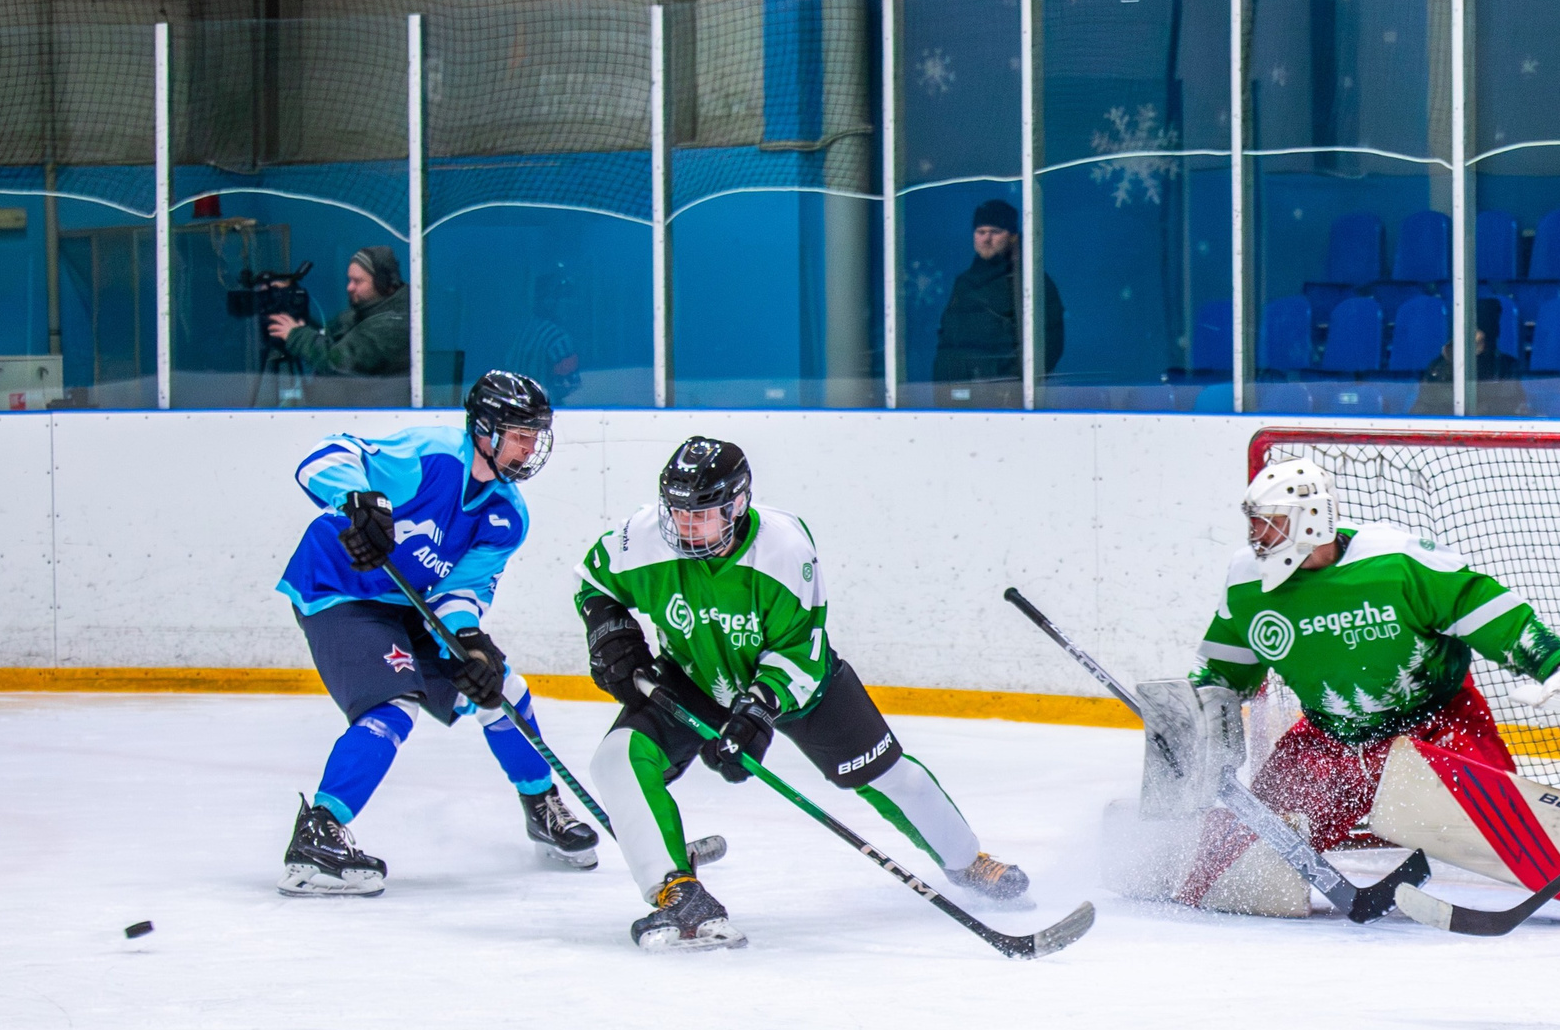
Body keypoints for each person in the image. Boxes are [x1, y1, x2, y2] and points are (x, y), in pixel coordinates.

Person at [576, 436, 1033, 950]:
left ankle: (968, 861)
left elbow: (799, 650)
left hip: (796, 687)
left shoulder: (785, 549)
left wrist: (756, 714)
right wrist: (610, 633)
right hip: (692, 676)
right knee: (617, 759)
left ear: (737, 505)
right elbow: (593, 583)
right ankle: (676, 889)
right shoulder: (641, 538)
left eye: (700, 515)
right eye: (676, 513)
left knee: (892, 778)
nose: (683, 527)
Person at [1186, 457, 1560, 866]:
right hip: (1329, 742)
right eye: (1254, 524)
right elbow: (1223, 674)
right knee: (1237, 858)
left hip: (1437, 731)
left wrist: (1557, 665)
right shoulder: (1247, 582)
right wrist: (1191, 709)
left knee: (1515, 836)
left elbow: (1489, 614)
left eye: (1270, 523)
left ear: (1311, 521)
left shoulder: (1397, 562)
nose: (1256, 537)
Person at [272, 370, 596, 895]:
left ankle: (542, 806)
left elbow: (457, 594)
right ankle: (319, 831)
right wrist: (359, 501)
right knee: (393, 705)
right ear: (485, 431)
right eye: (520, 435)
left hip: (409, 605)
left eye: (535, 437)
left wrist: (470, 643)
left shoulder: (506, 516)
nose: (530, 448)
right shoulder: (431, 456)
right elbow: (323, 459)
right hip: (340, 589)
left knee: (502, 689)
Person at [929, 198, 1064, 406]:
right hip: (958, 400)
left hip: (1009, 402)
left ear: (1012, 237)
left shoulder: (1029, 282)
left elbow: (1049, 340)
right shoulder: (963, 284)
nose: (986, 239)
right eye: (980, 232)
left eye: (994, 232)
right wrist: (944, 386)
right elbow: (947, 341)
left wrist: (1012, 386)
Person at [268, 247, 410, 382]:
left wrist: (297, 336)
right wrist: (288, 299)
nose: (349, 287)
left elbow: (337, 362)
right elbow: (326, 338)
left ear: (383, 284)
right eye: (350, 280)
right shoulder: (362, 313)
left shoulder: (392, 325)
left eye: (358, 281)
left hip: (375, 406)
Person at [1419, 296, 1526, 415]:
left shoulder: (1507, 368)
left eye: (1474, 330)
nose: (1467, 335)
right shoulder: (1437, 369)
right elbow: (1421, 413)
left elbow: (1512, 412)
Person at [505, 272, 582, 406]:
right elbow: (569, 386)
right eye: (565, 297)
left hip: (516, 410)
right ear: (551, 301)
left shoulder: (523, 332)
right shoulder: (559, 340)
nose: (571, 304)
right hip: (541, 412)